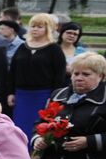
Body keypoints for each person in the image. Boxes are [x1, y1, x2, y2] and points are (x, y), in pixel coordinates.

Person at [8, 13, 68, 144]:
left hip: (43, 96)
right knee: (19, 128)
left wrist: (53, 99)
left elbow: (59, 76)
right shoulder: (22, 47)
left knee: (36, 129)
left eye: (40, 26)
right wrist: (11, 92)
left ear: (48, 29)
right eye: (33, 26)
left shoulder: (54, 49)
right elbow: (13, 71)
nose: (35, 29)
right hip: (21, 96)